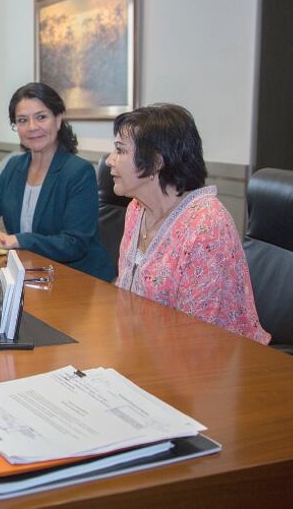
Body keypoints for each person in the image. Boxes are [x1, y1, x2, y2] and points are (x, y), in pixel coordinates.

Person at [107, 103, 270, 343]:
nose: (110, 160)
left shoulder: (207, 226)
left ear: (156, 162)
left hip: (209, 357)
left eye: (120, 151)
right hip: (145, 347)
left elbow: (201, 335)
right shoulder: (136, 209)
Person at [0, 82, 115, 281]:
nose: (32, 127)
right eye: (22, 120)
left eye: (41, 117)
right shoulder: (15, 166)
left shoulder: (78, 171)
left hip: (78, 279)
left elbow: (73, 243)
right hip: (30, 273)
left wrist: (16, 240)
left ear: (58, 120)